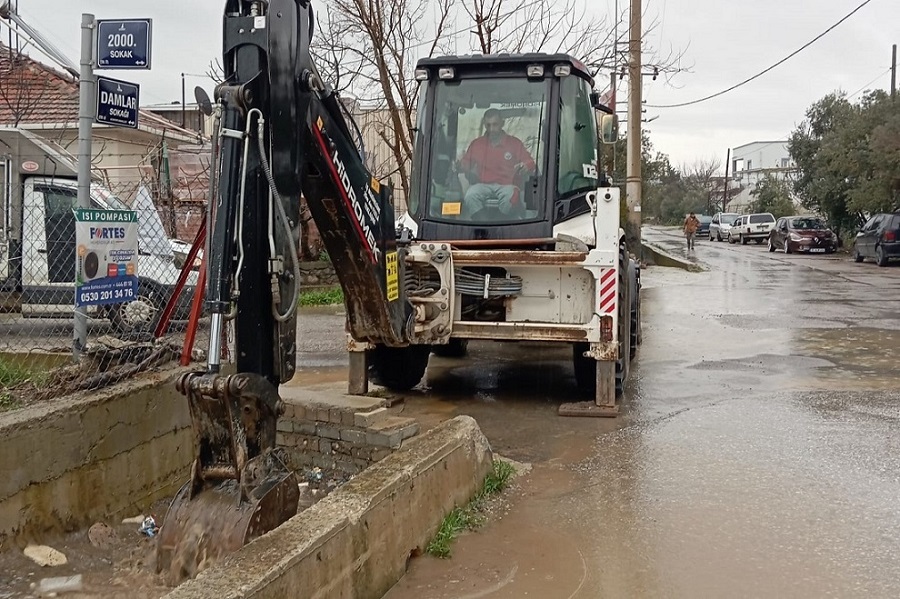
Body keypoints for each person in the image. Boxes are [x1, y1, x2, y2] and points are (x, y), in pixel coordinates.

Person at [457, 109, 535, 219]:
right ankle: (482, 225)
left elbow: (530, 162)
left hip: (507, 185)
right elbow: (466, 163)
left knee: (511, 196)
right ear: (484, 125)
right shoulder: (477, 144)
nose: (491, 129)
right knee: (470, 195)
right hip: (483, 185)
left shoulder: (514, 143)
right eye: (488, 125)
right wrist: (459, 165)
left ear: (502, 124)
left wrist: (526, 165)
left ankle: (500, 224)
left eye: (495, 124)